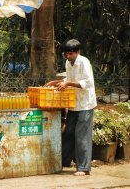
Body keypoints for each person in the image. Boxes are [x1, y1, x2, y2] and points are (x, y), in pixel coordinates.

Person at [45, 39, 97, 176]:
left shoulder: (84, 62)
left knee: (82, 136)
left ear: (78, 52)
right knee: (68, 133)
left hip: (85, 104)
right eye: (66, 54)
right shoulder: (68, 63)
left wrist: (68, 83)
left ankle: (84, 168)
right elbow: (69, 78)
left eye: (71, 54)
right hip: (74, 104)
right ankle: (64, 162)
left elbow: (88, 82)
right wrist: (55, 82)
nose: (68, 56)